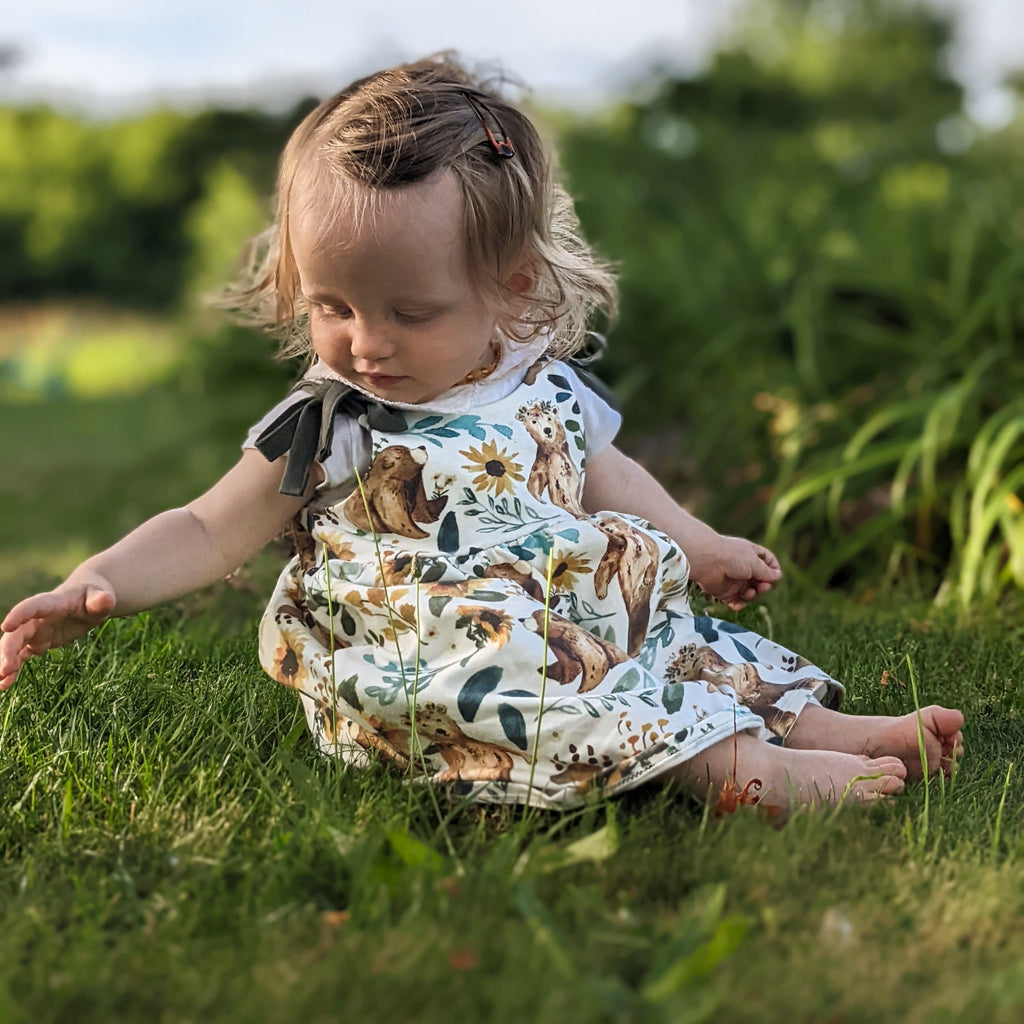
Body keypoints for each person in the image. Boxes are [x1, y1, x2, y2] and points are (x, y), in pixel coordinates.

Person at [0, 54, 963, 814]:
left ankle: (828, 727)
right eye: (333, 304)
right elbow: (212, 528)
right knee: (549, 674)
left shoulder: (535, 381)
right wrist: (101, 582)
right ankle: (731, 772)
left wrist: (698, 544)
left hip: (563, 616)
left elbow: (606, 473)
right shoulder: (334, 416)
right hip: (440, 662)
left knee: (669, 633)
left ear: (508, 286)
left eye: (409, 313)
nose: (364, 343)